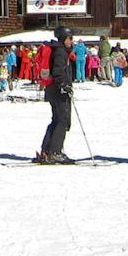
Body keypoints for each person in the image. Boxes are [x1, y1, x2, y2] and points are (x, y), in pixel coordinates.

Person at [35, 27, 76, 164]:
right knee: (62, 121)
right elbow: (58, 71)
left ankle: (46, 150)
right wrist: (64, 85)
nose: (72, 41)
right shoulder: (60, 52)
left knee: (57, 119)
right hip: (58, 91)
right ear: (64, 38)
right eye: (70, 38)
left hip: (53, 90)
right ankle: (55, 151)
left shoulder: (58, 49)